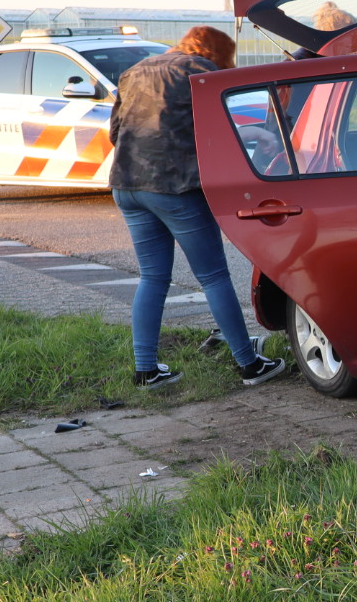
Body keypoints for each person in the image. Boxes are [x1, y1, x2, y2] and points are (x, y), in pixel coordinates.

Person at [108, 26, 285, 389]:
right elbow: (220, 131)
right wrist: (260, 137)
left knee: (153, 277)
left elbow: (115, 132)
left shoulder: (135, 71)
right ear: (216, 53)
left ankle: (146, 370)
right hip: (174, 187)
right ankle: (249, 364)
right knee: (214, 276)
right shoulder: (199, 71)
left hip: (127, 184)